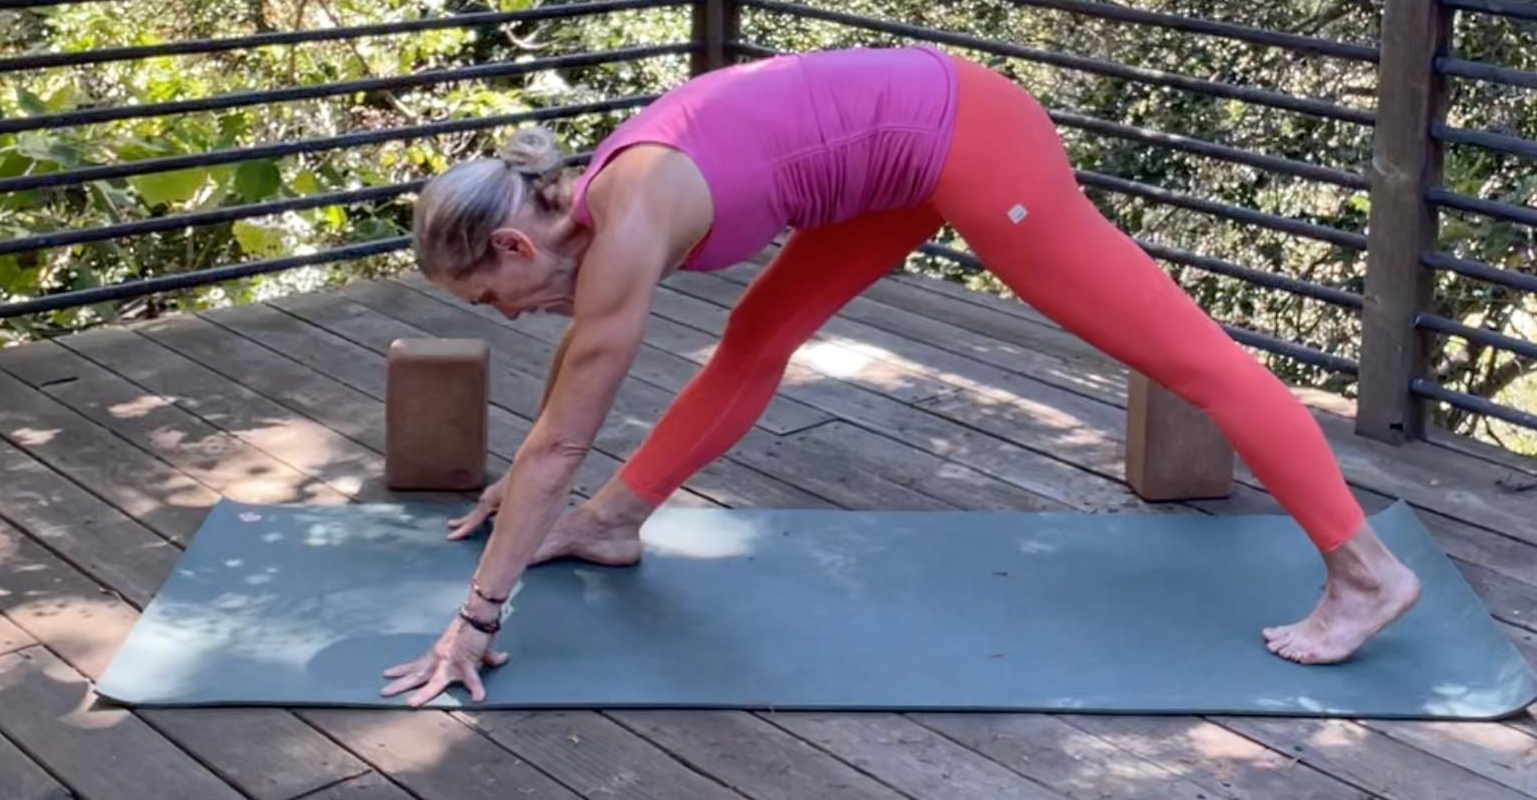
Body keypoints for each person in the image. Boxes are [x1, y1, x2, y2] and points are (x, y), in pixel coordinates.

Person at [379, 44, 1420, 706]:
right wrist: (527, 482)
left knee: (1191, 361)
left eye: (487, 302)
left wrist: (475, 621)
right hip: (887, 162)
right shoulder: (593, 216)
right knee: (754, 338)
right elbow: (575, 372)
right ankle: (614, 523)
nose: (506, 320)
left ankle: (1366, 572)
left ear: (517, 251)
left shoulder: (633, 214)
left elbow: (564, 430)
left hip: (971, 138)